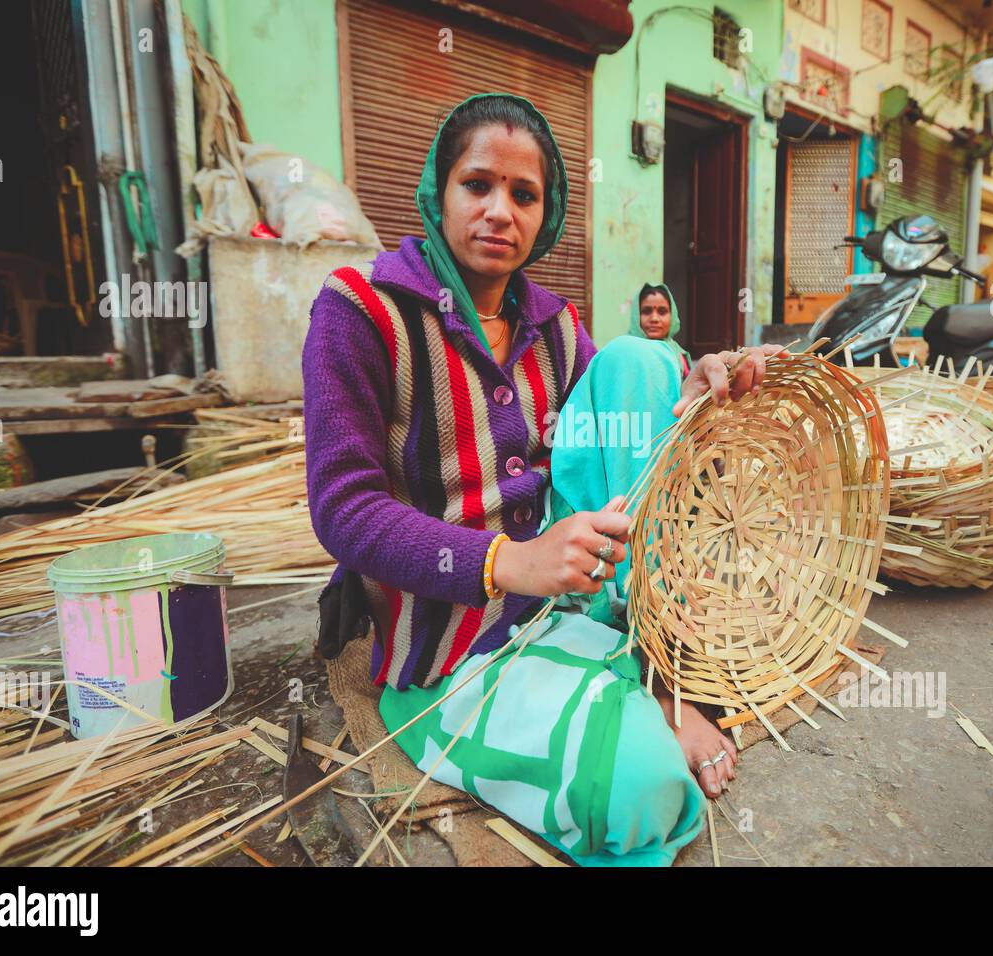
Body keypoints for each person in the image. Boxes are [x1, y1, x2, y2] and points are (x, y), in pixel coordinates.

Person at [302, 92, 785, 866]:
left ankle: (663, 666)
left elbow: (625, 442)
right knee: (640, 792)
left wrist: (689, 394)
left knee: (642, 359)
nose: (500, 211)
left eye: (524, 195)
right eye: (478, 185)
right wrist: (507, 562)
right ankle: (610, 695)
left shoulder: (555, 327)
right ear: (439, 191)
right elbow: (342, 508)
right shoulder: (361, 309)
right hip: (448, 647)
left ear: (547, 212)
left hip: (567, 594)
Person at [630, 282, 691, 379]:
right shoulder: (627, 352)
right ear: (636, 316)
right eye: (646, 311)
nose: (654, 319)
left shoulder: (678, 354)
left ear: (672, 316)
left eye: (662, 312)